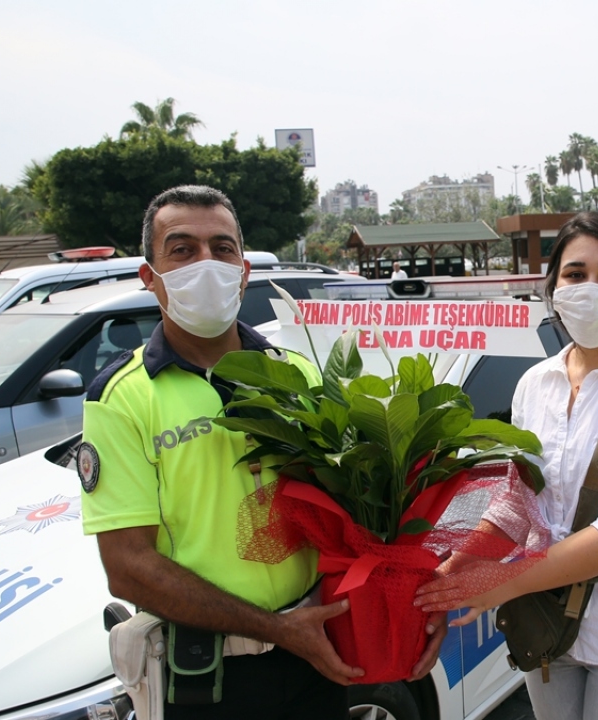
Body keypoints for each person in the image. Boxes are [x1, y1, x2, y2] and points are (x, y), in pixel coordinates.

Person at [79, 185, 445, 719]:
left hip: (317, 655)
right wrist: (276, 629)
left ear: (243, 270)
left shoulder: (292, 373)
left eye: (222, 248)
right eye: (182, 250)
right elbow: (129, 567)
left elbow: (353, 515)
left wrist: (409, 599)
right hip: (210, 680)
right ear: (148, 275)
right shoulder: (122, 397)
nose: (206, 263)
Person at [416, 211, 598, 720]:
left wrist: (502, 586)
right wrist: (451, 579)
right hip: (550, 629)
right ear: (553, 287)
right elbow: (520, 501)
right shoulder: (535, 383)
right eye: (575, 274)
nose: (590, 288)